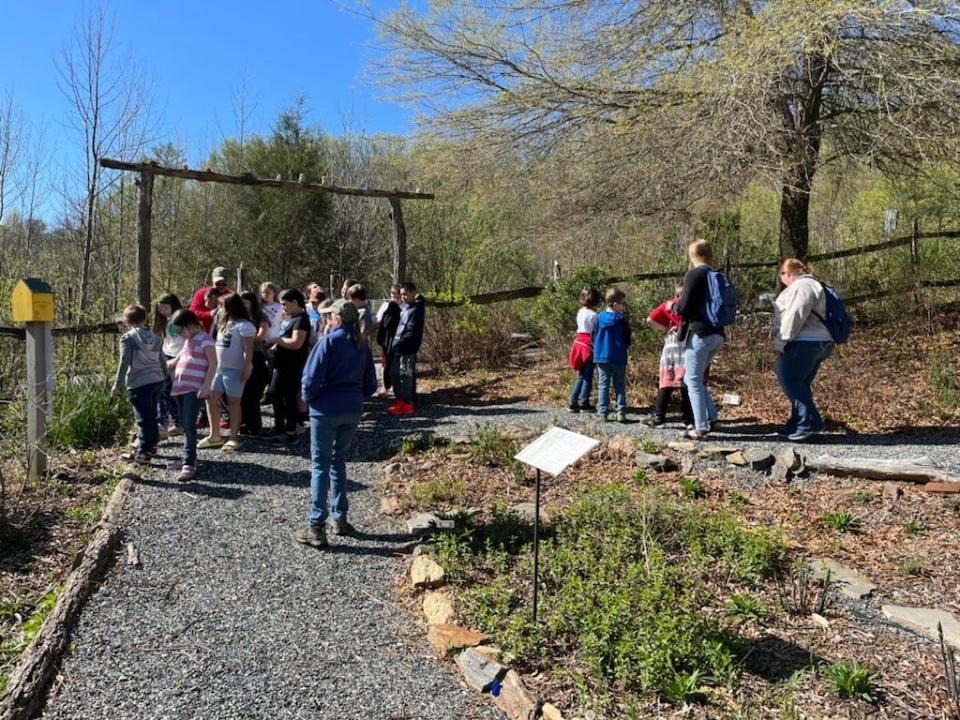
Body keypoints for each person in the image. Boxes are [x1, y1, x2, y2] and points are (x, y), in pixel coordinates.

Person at [296, 299, 377, 548]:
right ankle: (340, 518)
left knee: (320, 465)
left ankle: (316, 525)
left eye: (329, 315)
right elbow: (371, 385)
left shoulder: (327, 341)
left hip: (325, 409)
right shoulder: (362, 345)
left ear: (336, 318)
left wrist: (309, 400)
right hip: (352, 408)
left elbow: (310, 379)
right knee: (338, 462)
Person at [772, 258, 835, 441]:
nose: (781, 278)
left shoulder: (803, 286)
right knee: (800, 382)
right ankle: (797, 422)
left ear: (788, 273)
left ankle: (809, 423)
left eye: (782, 274)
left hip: (805, 340)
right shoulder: (813, 284)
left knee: (789, 379)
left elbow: (795, 315)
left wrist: (781, 341)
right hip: (819, 340)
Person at [675, 239, 724, 440]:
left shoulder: (695, 274)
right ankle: (712, 417)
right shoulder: (716, 274)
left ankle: (700, 428)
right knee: (692, 378)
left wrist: (675, 307)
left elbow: (684, 307)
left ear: (692, 255)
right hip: (717, 334)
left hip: (699, 334)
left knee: (693, 381)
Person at [199, 293, 255, 452]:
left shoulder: (245, 325)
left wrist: (245, 368)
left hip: (236, 370)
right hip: (218, 368)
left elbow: (248, 350)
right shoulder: (224, 323)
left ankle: (233, 437)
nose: (219, 309)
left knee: (233, 402)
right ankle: (214, 435)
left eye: (222, 306)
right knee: (210, 397)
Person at [112, 304, 166, 463]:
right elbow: (162, 360)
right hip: (157, 380)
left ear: (125, 321)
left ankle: (143, 452)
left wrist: (118, 383)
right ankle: (151, 446)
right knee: (151, 416)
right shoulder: (156, 338)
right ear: (145, 320)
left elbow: (124, 362)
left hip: (139, 383)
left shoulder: (128, 338)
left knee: (143, 419)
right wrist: (164, 378)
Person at [169, 310, 217, 481]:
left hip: (194, 388)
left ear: (189, 325)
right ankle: (187, 458)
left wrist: (206, 385)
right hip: (180, 388)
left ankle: (189, 462)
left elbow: (213, 363)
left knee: (189, 423)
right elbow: (177, 360)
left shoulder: (205, 339)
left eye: (181, 331)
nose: (180, 335)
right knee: (183, 423)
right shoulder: (189, 341)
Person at [646, 283, 694, 428]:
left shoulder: (668, 305)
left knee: (666, 381)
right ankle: (689, 420)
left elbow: (650, 319)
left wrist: (665, 328)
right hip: (686, 345)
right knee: (686, 383)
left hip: (671, 345)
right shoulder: (690, 306)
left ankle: (659, 417)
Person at [269, 288, 311, 445]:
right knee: (275, 394)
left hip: (292, 365)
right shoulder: (289, 318)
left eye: (285, 304)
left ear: (295, 302)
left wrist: (277, 340)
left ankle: (291, 431)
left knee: (289, 397)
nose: (283, 307)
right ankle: (283, 426)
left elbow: (296, 343)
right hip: (281, 362)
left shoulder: (301, 319)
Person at [593, 287, 631, 423]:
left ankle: (602, 412)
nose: (624, 306)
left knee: (603, 384)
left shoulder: (598, 318)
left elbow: (594, 335)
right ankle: (620, 411)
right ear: (615, 304)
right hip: (618, 356)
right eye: (623, 303)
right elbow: (627, 338)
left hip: (601, 355)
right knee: (619, 384)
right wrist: (622, 348)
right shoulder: (621, 319)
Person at [388, 281, 425, 416]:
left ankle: (407, 403)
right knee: (394, 374)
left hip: (407, 347)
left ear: (413, 293)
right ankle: (400, 400)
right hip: (399, 347)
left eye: (405, 294)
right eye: (401, 295)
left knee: (405, 375)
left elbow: (412, 331)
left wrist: (399, 343)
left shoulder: (417, 308)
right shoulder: (408, 308)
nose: (403, 297)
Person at [239, 291, 271, 436]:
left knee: (253, 394)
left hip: (256, 357)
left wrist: (247, 340)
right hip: (241, 356)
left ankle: (255, 426)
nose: (244, 304)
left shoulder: (260, 316)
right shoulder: (238, 317)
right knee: (242, 394)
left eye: (246, 301)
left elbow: (262, 332)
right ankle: (244, 423)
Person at [153, 293, 184, 438]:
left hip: (178, 359)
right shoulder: (167, 320)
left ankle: (163, 424)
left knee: (166, 392)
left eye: (166, 307)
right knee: (167, 393)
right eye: (161, 308)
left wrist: (177, 360)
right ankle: (177, 424)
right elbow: (166, 340)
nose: (163, 311)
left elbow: (188, 343)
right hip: (166, 356)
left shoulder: (180, 320)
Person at [567, 287, 600, 413]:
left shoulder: (580, 312)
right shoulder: (594, 315)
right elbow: (595, 331)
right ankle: (584, 403)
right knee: (587, 376)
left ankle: (573, 401)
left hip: (578, 343)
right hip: (587, 345)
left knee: (580, 375)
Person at [376, 285, 402, 397]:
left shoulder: (405, 307)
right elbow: (378, 320)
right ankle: (384, 386)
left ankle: (399, 388)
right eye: (393, 296)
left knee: (399, 365)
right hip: (387, 340)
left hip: (400, 340)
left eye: (398, 297)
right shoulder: (386, 306)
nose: (395, 299)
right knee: (385, 364)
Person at [188, 267, 232, 333]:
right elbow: (192, 312)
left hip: (225, 334)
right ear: (212, 281)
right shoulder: (202, 293)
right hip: (204, 335)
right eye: (218, 283)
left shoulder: (231, 295)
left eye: (224, 284)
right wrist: (209, 314)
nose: (221, 286)